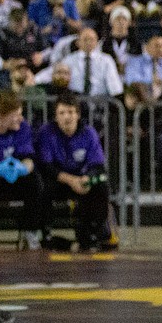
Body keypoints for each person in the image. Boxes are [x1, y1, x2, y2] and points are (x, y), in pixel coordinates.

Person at [35, 93, 113, 251]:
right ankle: (46, 233)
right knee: (43, 188)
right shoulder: (46, 132)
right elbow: (46, 166)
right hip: (58, 179)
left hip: (83, 179)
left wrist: (87, 179)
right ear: (56, 117)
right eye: (62, 113)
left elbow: (97, 164)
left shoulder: (89, 133)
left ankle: (94, 232)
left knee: (102, 185)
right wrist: (71, 180)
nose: (67, 117)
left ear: (77, 114)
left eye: (70, 112)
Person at [0, 90, 47, 249]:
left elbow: (29, 157)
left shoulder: (22, 127)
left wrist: (23, 168)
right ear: (1, 115)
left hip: (12, 176)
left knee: (35, 182)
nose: (21, 118)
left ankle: (30, 232)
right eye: (16, 114)